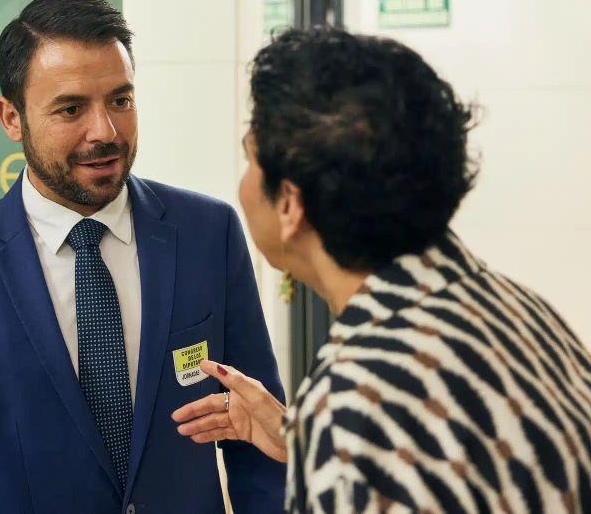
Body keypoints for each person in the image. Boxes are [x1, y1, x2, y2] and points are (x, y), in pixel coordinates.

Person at [0, 0, 287, 512]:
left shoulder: (209, 234)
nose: (105, 131)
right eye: (71, 109)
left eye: (120, 100)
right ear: (11, 118)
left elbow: (260, 435)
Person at [172, 28, 591, 512]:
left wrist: (332, 443)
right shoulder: (515, 308)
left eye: (249, 158)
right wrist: (301, 442)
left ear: (290, 204)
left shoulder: (359, 403)